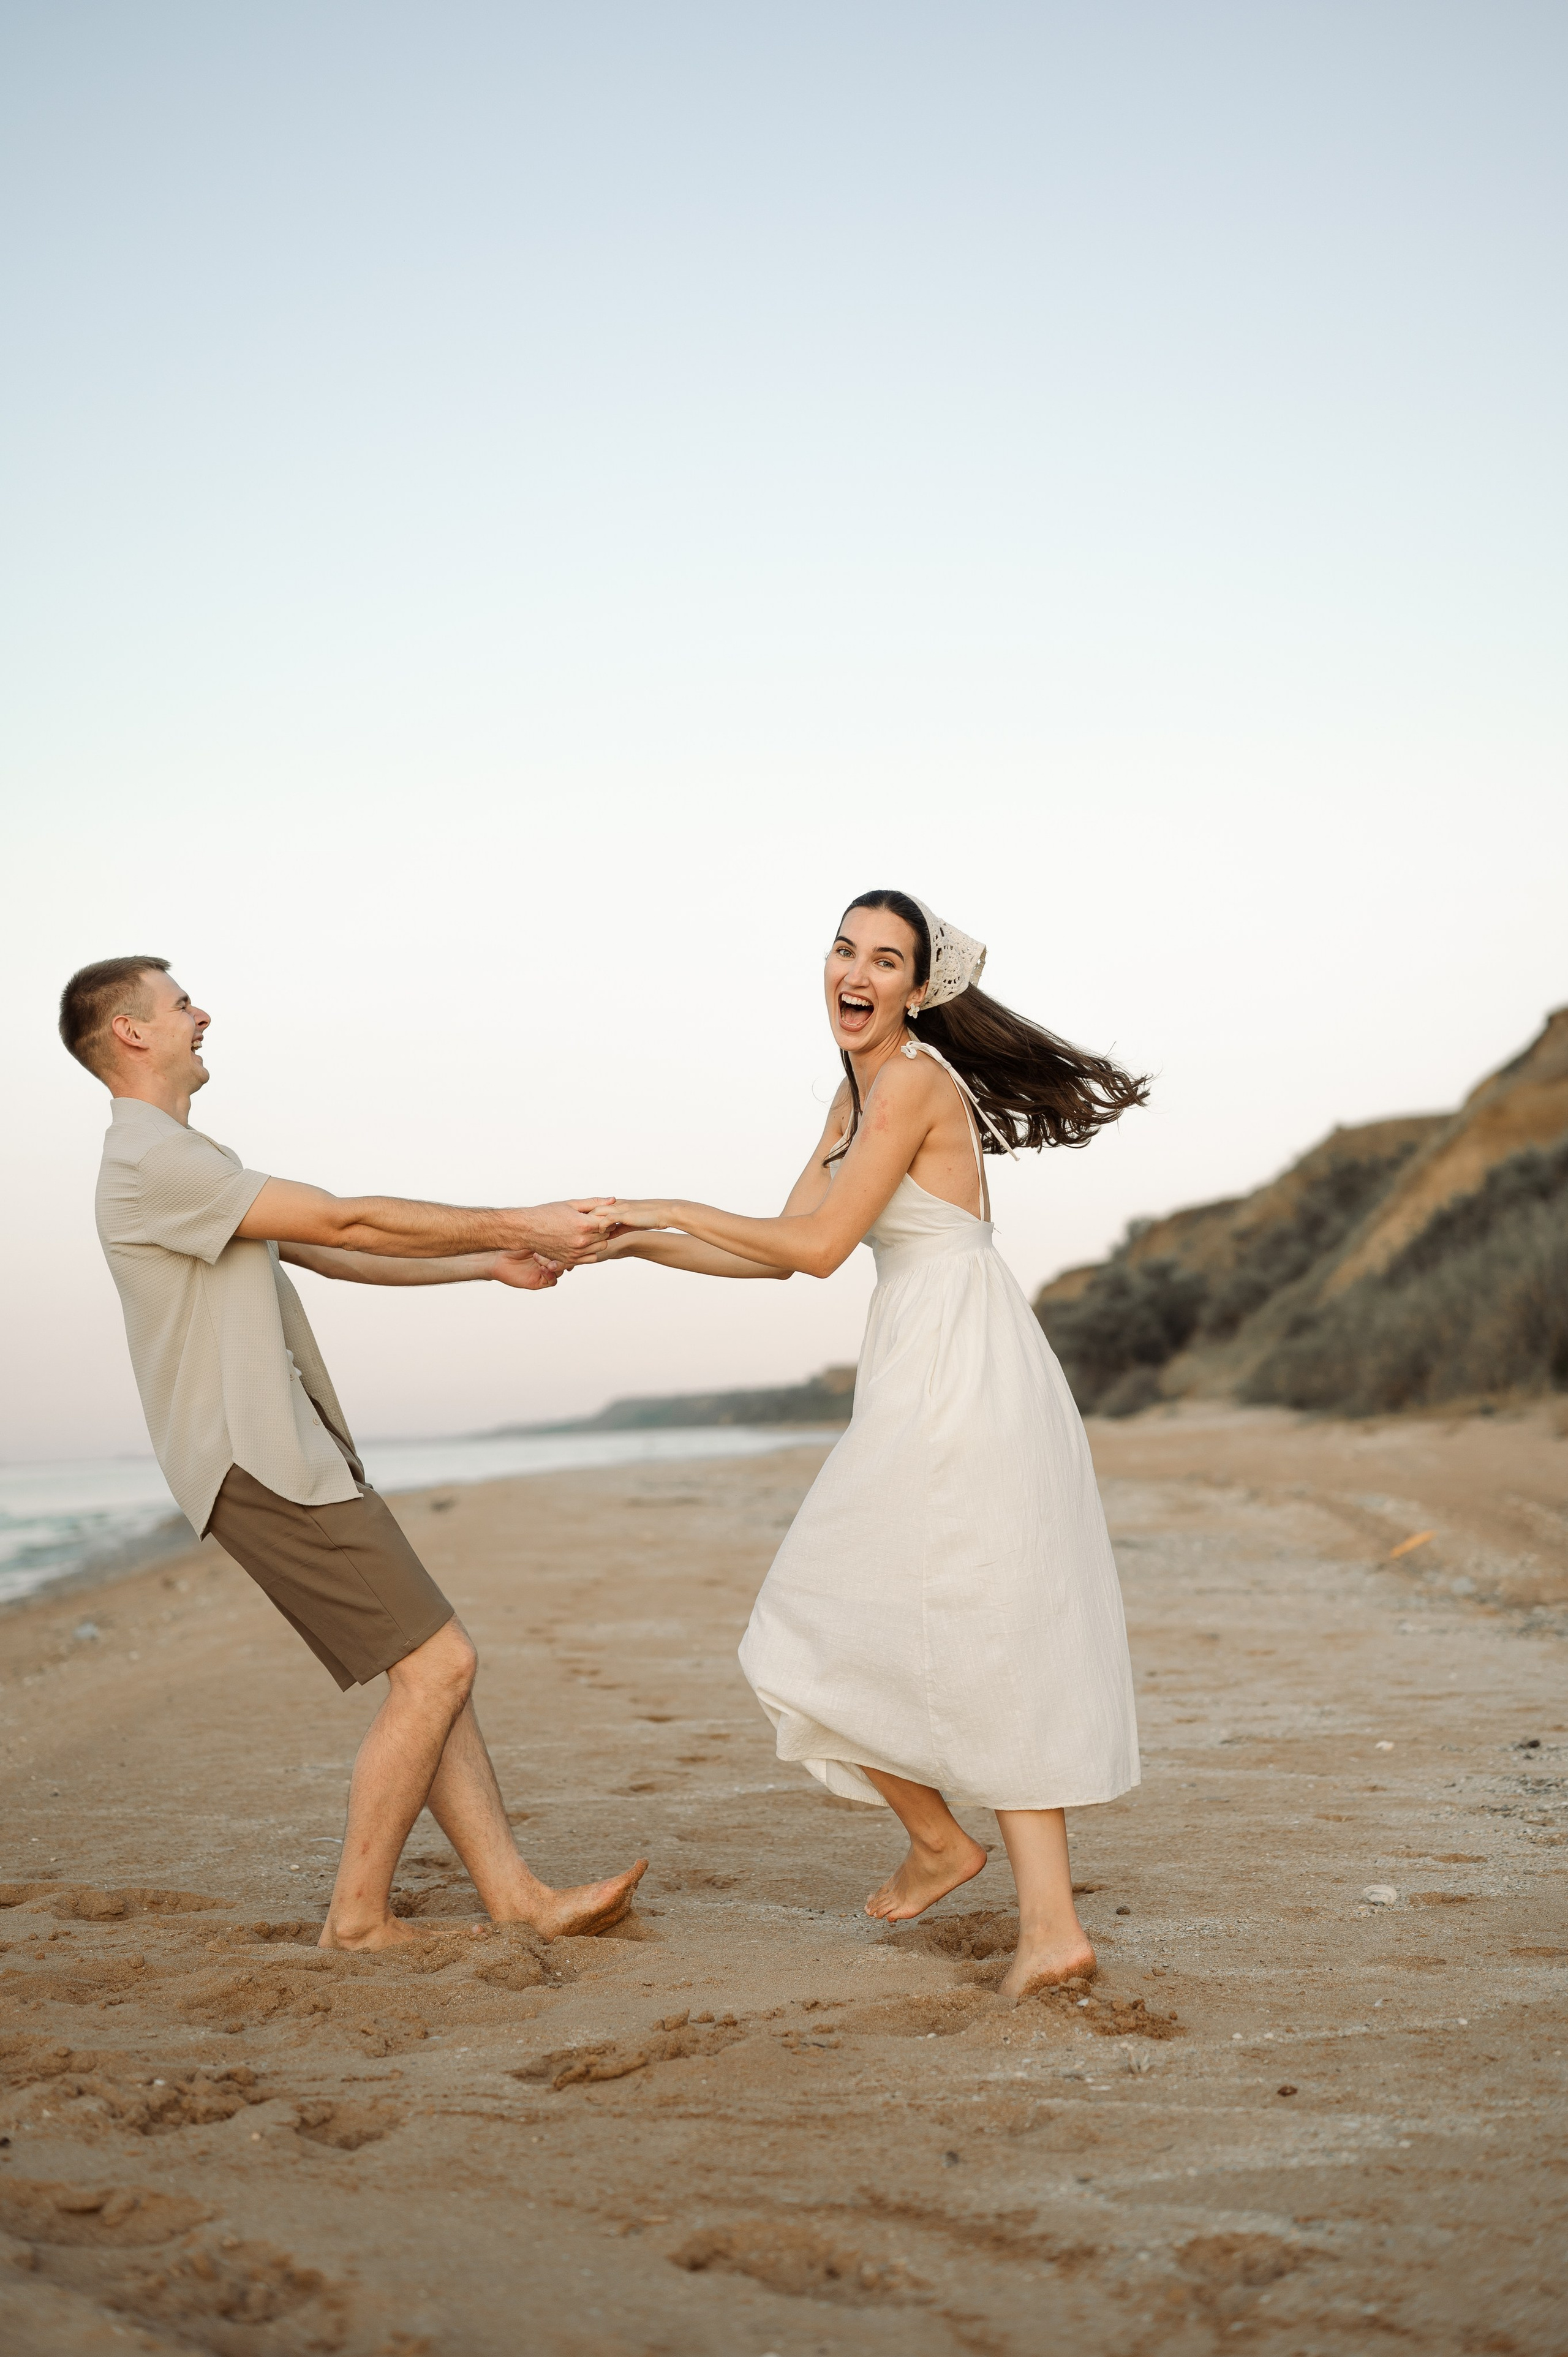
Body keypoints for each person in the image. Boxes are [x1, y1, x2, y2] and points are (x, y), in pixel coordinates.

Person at [589, 891, 1147, 1999]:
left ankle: (1021, 1902)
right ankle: (1007, 1892)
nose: (856, 972)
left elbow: (818, 1243)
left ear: (920, 989)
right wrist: (635, 1245)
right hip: (933, 1364)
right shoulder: (854, 1102)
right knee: (931, 1624)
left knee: (861, 1623)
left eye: (885, 959)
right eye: (844, 949)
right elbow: (781, 1253)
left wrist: (664, 1200)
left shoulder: (911, 1084)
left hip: (962, 1377)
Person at [59, 955, 644, 1952]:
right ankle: (360, 1921)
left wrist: (485, 1265)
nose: (204, 1013)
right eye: (181, 1001)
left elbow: (329, 1249)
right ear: (131, 1033)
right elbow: (342, 1215)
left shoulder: (184, 1159)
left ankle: (517, 1898)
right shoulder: (152, 1162)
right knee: (439, 1664)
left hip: (285, 1453)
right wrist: (523, 1218)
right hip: (257, 1461)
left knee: (430, 1665)